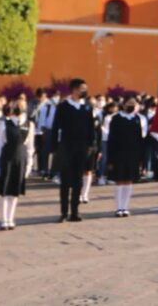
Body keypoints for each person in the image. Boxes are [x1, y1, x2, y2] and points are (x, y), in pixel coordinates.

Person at [50, 78, 95, 223]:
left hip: (82, 148)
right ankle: (64, 211)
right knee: (65, 180)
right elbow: (56, 127)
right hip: (66, 147)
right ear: (74, 89)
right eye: (82, 88)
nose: (84, 91)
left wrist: (90, 145)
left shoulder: (87, 107)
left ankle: (75, 211)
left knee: (78, 181)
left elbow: (91, 129)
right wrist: (54, 147)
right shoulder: (63, 106)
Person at [0, 98, 35, 230]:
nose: (18, 110)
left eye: (21, 107)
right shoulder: (4, 124)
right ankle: (4, 219)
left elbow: (30, 148)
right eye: (16, 107)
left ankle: (11, 218)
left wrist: (28, 166)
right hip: (6, 159)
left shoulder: (29, 125)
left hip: (20, 159)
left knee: (14, 193)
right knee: (5, 192)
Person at [107, 96, 144, 217]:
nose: (131, 106)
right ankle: (118, 207)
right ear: (123, 105)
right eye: (129, 103)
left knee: (129, 180)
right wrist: (110, 159)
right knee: (120, 181)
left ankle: (125, 207)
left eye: (133, 104)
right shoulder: (116, 119)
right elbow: (111, 139)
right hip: (119, 154)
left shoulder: (136, 118)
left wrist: (140, 158)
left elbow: (139, 139)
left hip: (133, 154)